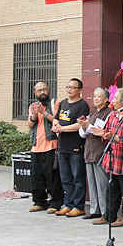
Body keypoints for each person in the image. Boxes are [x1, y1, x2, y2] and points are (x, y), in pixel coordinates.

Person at [98, 88, 123, 227]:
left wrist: (114, 137)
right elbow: (106, 132)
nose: (113, 101)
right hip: (113, 160)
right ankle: (109, 216)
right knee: (112, 190)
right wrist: (105, 135)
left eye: (116, 98)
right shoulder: (112, 115)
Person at [52, 78, 90, 218]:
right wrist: (56, 125)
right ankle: (68, 204)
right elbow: (56, 118)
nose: (69, 90)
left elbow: (80, 125)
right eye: (68, 87)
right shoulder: (63, 103)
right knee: (65, 178)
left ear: (80, 90)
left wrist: (62, 129)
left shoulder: (82, 105)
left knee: (77, 178)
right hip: (62, 147)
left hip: (75, 147)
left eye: (73, 87)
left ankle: (78, 206)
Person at [26, 81, 63, 214]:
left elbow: (58, 121)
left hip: (51, 145)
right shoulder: (33, 106)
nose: (42, 92)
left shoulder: (55, 104)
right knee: (37, 177)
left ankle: (55, 203)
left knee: (52, 177)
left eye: (44, 89)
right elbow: (30, 125)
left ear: (48, 90)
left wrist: (44, 112)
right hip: (36, 146)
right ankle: (39, 202)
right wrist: (34, 115)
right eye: (39, 90)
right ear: (35, 93)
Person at [78, 87, 113, 222]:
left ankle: (105, 212)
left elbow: (101, 131)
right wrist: (83, 126)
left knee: (102, 184)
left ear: (106, 99)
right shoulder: (92, 113)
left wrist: (88, 126)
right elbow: (83, 134)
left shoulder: (109, 113)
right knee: (92, 184)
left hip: (100, 152)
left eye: (99, 96)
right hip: (89, 151)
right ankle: (94, 210)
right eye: (94, 96)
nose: (96, 99)